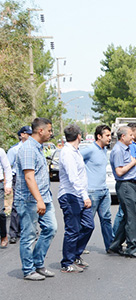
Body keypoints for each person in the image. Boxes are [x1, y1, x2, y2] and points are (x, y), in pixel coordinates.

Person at [15, 118, 57, 281]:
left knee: (51, 228)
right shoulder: (28, 149)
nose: (51, 133)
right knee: (29, 235)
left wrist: (43, 199)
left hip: (43, 198)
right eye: (49, 130)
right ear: (41, 131)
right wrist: (39, 200)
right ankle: (28, 269)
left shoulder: (39, 148)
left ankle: (38, 263)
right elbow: (29, 177)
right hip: (29, 200)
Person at [57, 124, 94, 273]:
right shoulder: (67, 153)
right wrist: (85, 196)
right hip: (70, 195)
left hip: (79, 194)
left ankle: (75, 255)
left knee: (88, 225)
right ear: (79, 136)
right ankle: (67, 262)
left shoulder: (76, 151)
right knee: (72, 230)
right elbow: (73, 178)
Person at [107, 126, 136, 258]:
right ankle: (132, 248)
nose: (133, 137)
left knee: (126, 217)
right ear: (122, 136)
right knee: (131, 217)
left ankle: (115, 245)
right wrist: (132, 163)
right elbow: (119, 171)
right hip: (125, 185)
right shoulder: (118, 150)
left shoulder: (126, 148)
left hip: (130, 185)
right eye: (130, 135)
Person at [81, 125, 113, 252]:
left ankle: (110, 246)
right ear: (99, 136)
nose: (110, 138)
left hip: (104, 190)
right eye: (107, 135)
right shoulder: (89, 149)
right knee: (88, 222)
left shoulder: (104, 150)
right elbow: (76, 160)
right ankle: (79, 247)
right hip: (92, 191)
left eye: (110, 135)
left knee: (106, 219)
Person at [6, 125, 32, 244]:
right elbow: (7, 167)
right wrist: (9, 183)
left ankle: (26, 231)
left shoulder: (34, 148)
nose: (30, 136)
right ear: (22, 135)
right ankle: (13, 233)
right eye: (28, 134)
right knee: (17, 205)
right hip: (18, 178)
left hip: (30, 178)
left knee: (30, 205)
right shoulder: (14, 150)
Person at [0, 146, 12, 248]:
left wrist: (8, 184)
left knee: (0, 213)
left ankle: (3, 236)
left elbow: (7, 167)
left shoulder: (0, 151)